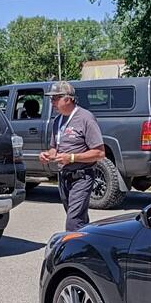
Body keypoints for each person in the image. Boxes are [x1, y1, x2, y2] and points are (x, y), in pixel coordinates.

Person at [38, 81, 105, 231]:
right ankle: (87, 247)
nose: (52, 103)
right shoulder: (57, 121)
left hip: (82, 177)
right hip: (64, 177)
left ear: (68, 99)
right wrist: (47, 155)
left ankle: (71, 251)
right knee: (79, 220)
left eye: (55, 99)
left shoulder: (86, 118)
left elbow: (100, 153)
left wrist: (72, 158)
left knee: (73, 222)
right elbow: (54, 148)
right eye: (51, 99)